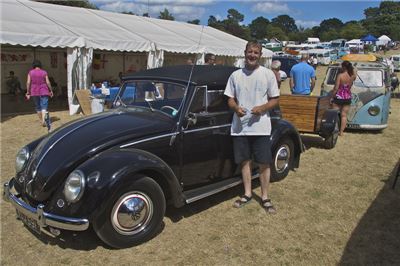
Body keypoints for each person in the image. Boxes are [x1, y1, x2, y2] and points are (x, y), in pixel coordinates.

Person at [224, 41, 280, 214]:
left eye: (256, 52)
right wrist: (235, 108)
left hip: (261, 127)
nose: (252, 55)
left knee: (264, 162)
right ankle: (247, 193)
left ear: (260, 55)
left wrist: (262, 108)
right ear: (245, 53)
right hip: (240, 127)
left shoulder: (268, 74)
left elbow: (275, 99)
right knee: (245, 161)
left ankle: (265, 196)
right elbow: (230, 98)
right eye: (250, 52)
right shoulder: (235, 75)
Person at [330, 60, 357, 136]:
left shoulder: (340, 75)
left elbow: (336, 88)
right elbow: (355, 72)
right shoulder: (352, 76)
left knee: (334, 114)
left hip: (339, 96)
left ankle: (333, 129)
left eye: (342, 66)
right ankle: (341, 132)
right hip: (347, 96)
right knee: (344, 115)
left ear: (344, 67)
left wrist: (332, 97)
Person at [26, 60, 53, 127]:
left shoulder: (30, 72)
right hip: (44, 90)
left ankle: (41, 120)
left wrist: (28, 92)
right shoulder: (44, 72)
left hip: (34, 91)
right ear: (40, 65)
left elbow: (28, 82)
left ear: (33, 65)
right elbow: (48, 82)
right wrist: (51, 90)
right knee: (44, 106)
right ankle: (44, 120)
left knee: (38, 106)